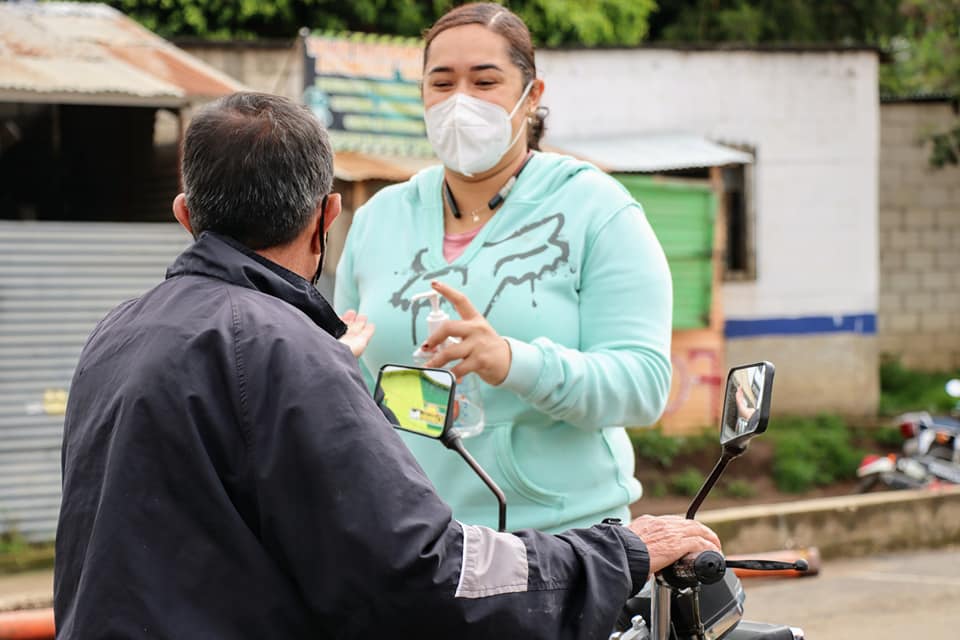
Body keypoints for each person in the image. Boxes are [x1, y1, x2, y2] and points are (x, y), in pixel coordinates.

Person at [53, 92, 719, 639]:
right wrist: (620, 552)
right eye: (442, 79)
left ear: (185, 216)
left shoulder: (115, 334)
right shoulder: (290, 352)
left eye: (483, 79)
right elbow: (426, 574)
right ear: (327, 218)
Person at [335, 2, 673, 533]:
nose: (460, 101)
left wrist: (513, 362)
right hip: (414, 543)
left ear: (531, 96)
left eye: (485, 81)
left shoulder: (595, 209)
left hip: (564, 543)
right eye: (441, 84)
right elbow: (346, 382)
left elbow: (644, 384)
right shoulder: (379, 220)